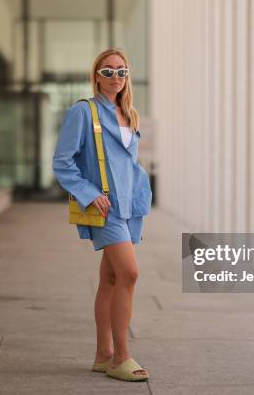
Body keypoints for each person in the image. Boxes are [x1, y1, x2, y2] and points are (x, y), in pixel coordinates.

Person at [52, 48, 153, 382]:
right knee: (130, 274)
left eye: (121, 71)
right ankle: (122, 357)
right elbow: (63, 161)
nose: (115, 77)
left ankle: (102, 355)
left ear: (128, 76)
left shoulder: (130, 114)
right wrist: (90, 194)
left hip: (130, 206)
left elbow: (128, 164)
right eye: (107, 71)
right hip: (105, 207)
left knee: (111, 279)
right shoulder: (84, 112)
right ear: (96, 76)